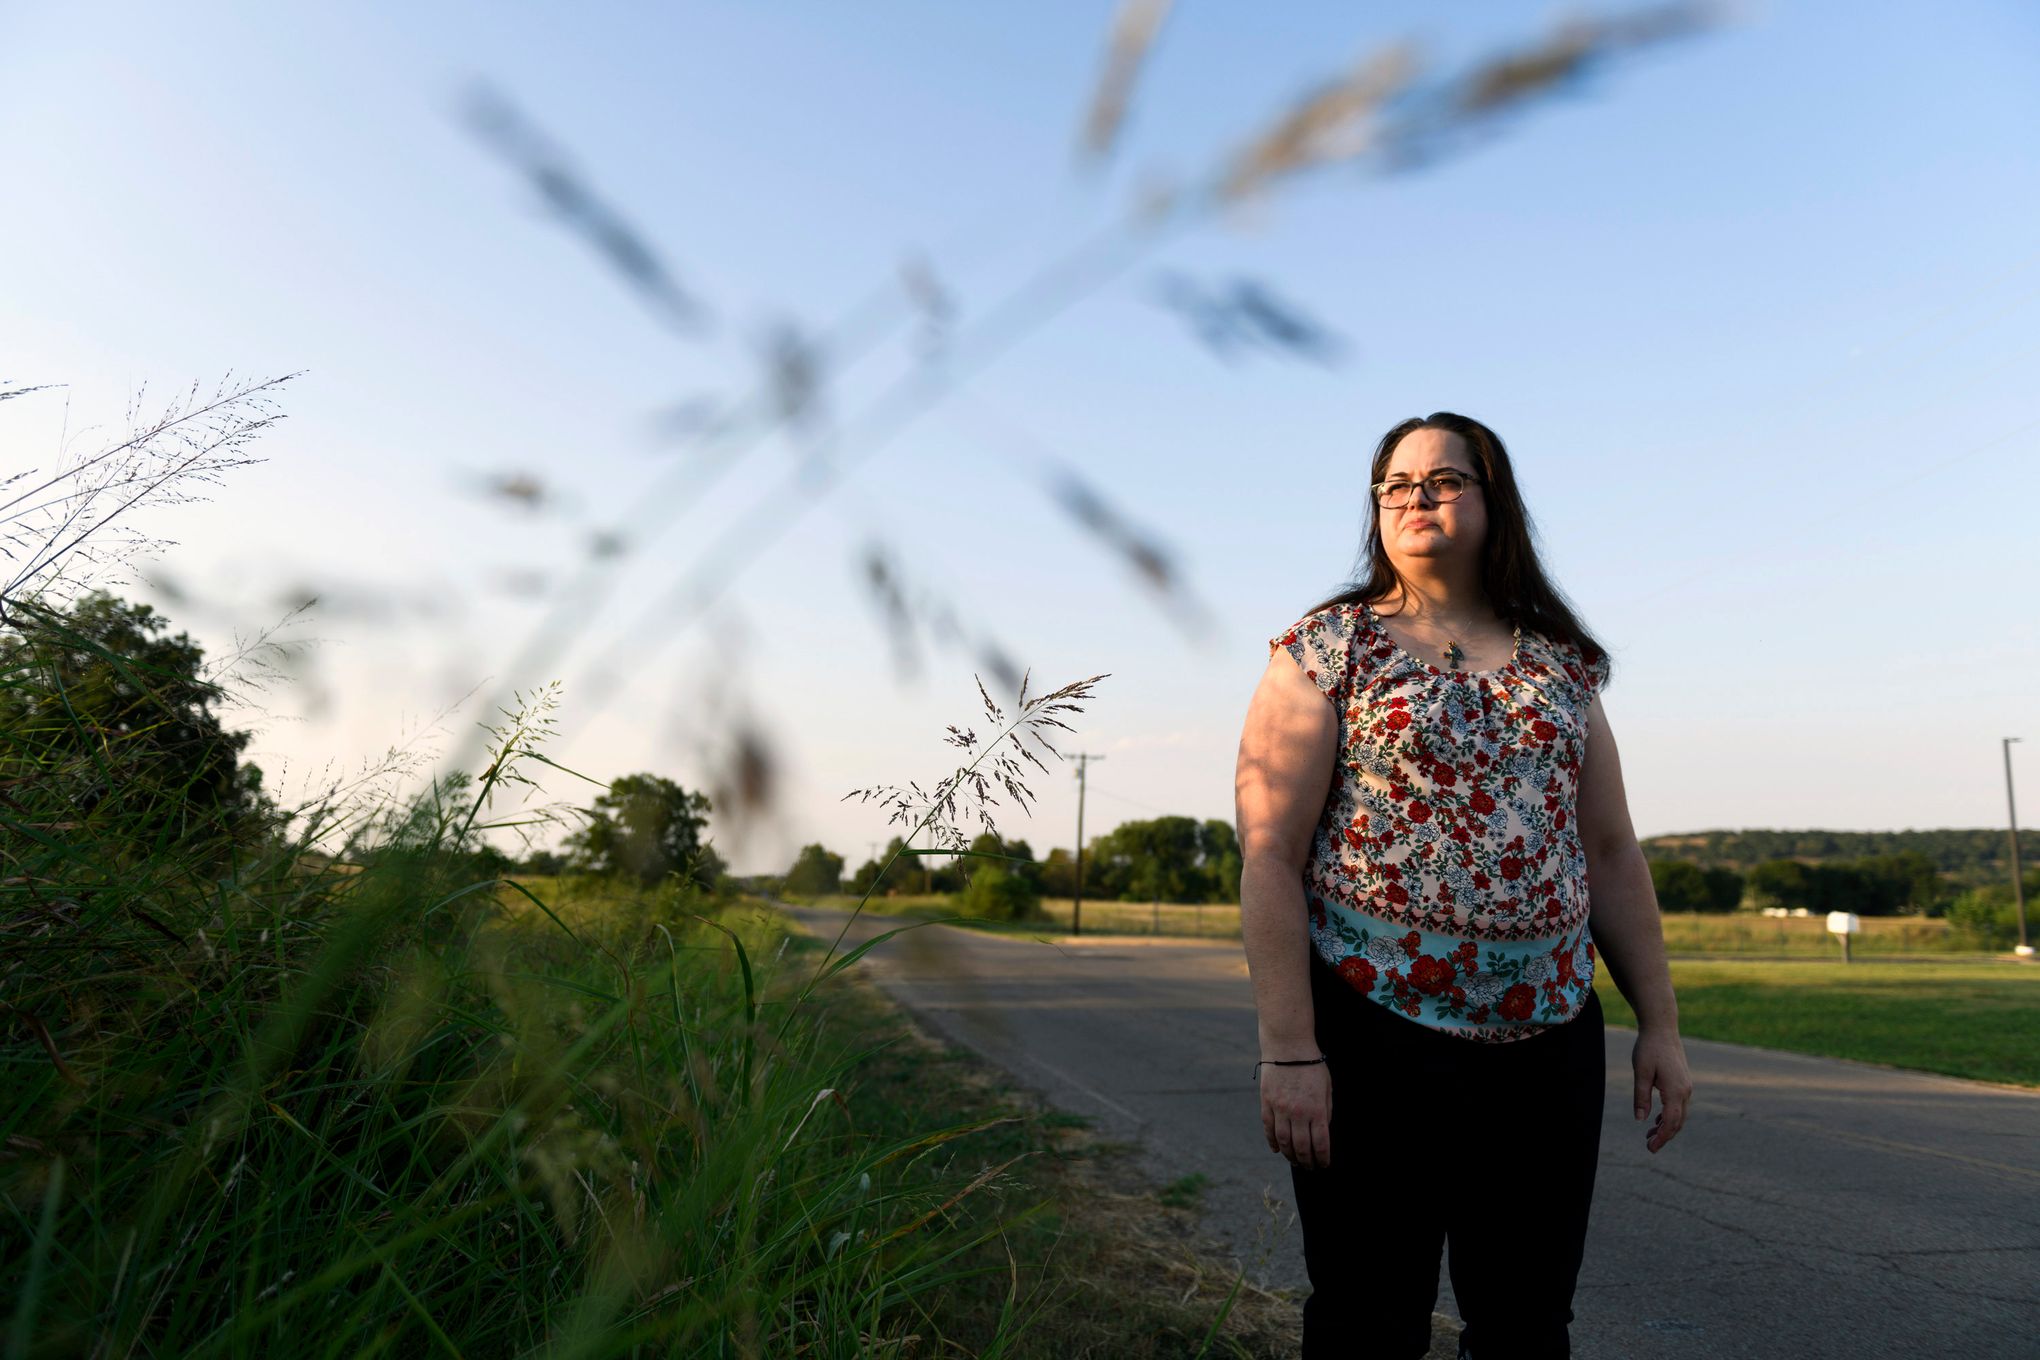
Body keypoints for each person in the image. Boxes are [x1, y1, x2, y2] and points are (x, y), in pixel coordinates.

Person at [1233, 412, 1692, 1359]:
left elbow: (1609, 851)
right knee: (1369, 1317)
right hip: (1370, 1032)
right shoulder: (1327, 649)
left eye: (1444, 480)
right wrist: (1290, 1051)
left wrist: (1663, 1024)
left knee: (1527, 1324)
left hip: (1549, 1039)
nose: (1415, 498)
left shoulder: (1566, 666)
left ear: (1494, 501)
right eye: (1395, 484)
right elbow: (1271, 855)